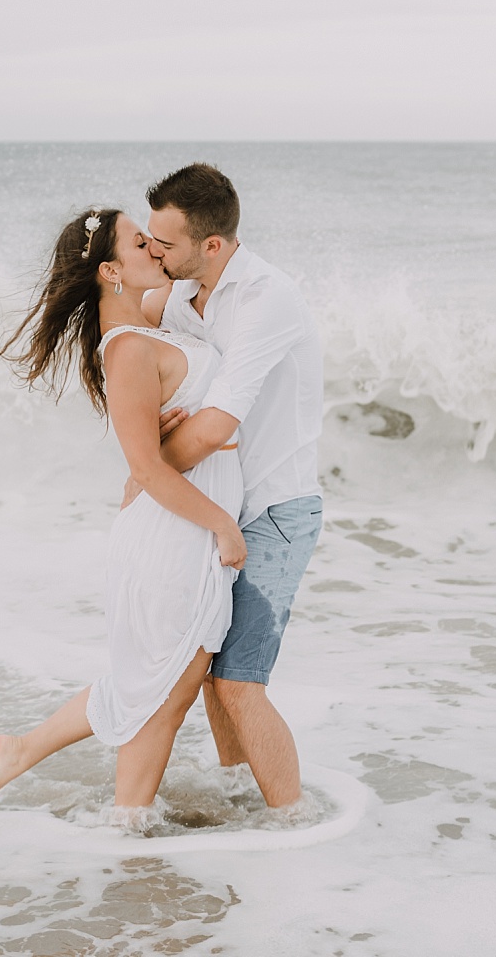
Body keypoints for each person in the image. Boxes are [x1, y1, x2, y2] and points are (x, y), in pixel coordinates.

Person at [0, 207, 247, 818]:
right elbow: (145, 469)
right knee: (165, 690)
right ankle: (127, 831)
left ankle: (27, 753)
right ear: (113, 271)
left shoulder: (149, 324)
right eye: (143, 243)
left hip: (181, 524)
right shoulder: (128, 351)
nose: (159, 249)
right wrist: (222, 523)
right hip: (178, 533)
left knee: (156, 679)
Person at [138, 163, 324, 810]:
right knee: (213, 671)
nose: (154, 253)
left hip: (276, 508)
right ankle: (240, 795)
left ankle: (291, 824)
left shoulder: (266, 298)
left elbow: (218, 422)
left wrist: (146, 468)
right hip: (222, 507)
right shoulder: (185, 300)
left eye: (166, 244)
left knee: (238, 681)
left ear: (211, 246)